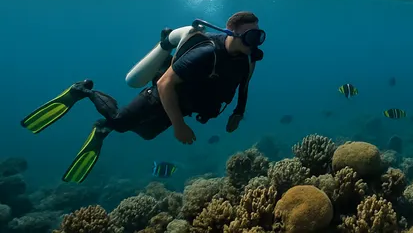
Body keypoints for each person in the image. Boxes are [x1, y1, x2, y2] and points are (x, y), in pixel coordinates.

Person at [20, 11, 266, 183]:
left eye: (259, 35)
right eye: (251, 36)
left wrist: (238, 113)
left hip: (183, 105)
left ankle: (102, 130)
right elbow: (165, 84)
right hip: (159, 97)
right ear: (230, 32)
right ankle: (82, 90)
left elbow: (244, 85)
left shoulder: (248, 58)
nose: (255, 42)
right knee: (119, 121)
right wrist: (179, 126)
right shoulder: (205, 54)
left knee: (147, 134)